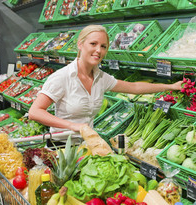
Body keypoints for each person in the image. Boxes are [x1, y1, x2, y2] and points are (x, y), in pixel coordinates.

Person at [28, 25, 182, 134]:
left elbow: (134, 87)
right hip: (61, 147)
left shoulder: (101, 78)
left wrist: (171, 86)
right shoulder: (62, 77)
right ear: (80, 45)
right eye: (93, 44)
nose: (98, 50)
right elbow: (35, 112)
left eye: (103, 46)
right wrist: (73, 126)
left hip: (88, 143)